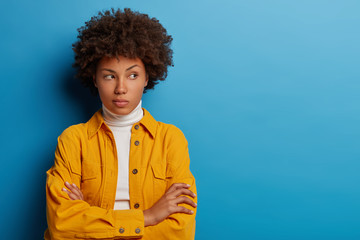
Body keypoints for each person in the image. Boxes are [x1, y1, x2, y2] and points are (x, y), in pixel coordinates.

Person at [44, 8, 197, 240]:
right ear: (94, 78)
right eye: (109, 76)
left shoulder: (170, 140)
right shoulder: (73, 140)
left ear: (147, 77)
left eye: (132, 75)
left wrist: (90, 221)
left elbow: (179, 231)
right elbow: (61, 225)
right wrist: (148, 217)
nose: (121, 88)